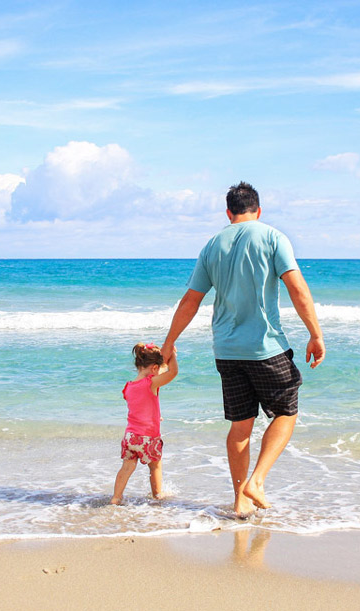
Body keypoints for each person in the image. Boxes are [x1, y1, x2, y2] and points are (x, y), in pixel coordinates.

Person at [161, 181, 324, 516]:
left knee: (240, 426)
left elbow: (191, 301)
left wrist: (169, 341)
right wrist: (315, 333)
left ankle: (240, 501)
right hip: (264, 347)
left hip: (226, 350)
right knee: (287, 412)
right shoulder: (272, 237)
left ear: (228, 212)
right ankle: (257, 481)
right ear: (258, 210)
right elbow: (296, 287)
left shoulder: (211, 246)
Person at [110, 342, 179, 505]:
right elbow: (173, 372)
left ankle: (116, 498)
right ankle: (157, 495)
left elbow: (140, 407)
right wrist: (172, 355)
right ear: (154, 368)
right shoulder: (151, 383)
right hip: (148, 438)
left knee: (126, 468)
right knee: (155, 466)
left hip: (130, 437)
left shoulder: (128, 387)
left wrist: (156, 415)